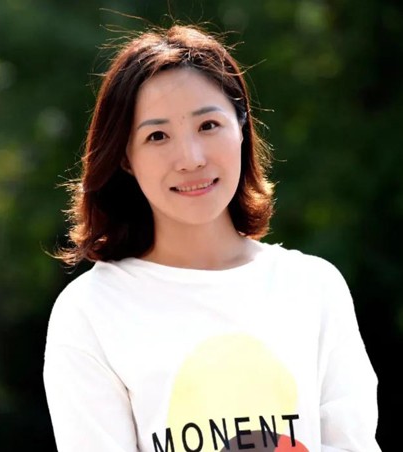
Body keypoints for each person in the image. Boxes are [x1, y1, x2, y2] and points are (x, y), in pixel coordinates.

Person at [43, 23, 381, 452]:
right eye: (157, 136)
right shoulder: (90, 312)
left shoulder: (314, 287)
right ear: (125, 157)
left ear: (242, 128)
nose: (191, 159)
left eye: (208, 125)